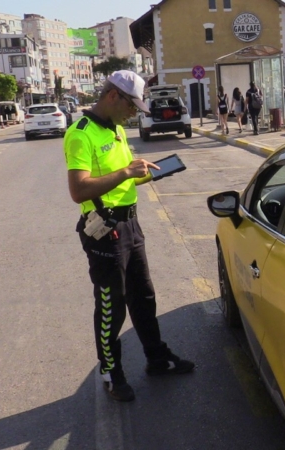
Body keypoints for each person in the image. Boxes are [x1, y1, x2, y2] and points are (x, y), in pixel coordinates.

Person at [63, 70, 195, 403]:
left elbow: (122, 180)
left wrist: (143, 175)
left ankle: (157, 358)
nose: (134, 112)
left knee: (144, 297)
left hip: (131, 226)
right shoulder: (81, 134)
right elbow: (79, 190)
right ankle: (111, 371)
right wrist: (125, 171)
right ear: (113, 96)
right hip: (104, 232)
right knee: (112, 306)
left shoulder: (117, 129)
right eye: (131, 105)